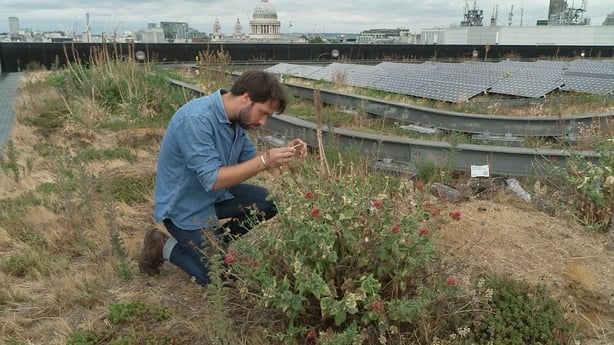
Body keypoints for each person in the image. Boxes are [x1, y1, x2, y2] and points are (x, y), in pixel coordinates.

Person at [138, 70, 307, 286]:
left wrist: (283, 154)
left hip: (216, 197)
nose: (263, 122)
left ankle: (212, 247)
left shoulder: (236, 119)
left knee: (271, 201)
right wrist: (264, 161)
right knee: (223, 278)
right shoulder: (196, 120)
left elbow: (249, 158)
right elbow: (214, 179)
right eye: (262, 113)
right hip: (185, 207)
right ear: (246, 98)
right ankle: (162, 245)